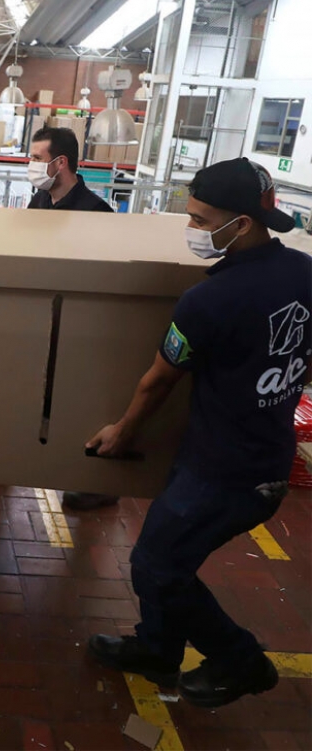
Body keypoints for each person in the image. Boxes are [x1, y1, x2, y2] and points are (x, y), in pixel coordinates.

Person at [86, 158, 311, 708]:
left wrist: (121, 433)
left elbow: (159, 381)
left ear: (242, 222)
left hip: (225, 470)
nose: (192, 228)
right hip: (264, 455)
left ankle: (240, 661)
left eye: (200, 218)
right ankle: (157, 648)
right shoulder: (305, 272)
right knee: (170, 559)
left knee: (157, 568)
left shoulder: (207, 300)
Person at [27, 126, 119, 511]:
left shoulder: (98, 214)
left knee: (79, 398)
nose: (30, 167)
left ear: (59, 162)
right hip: (42, 317)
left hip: (79, 327)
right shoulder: (40, 200)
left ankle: (96, 480)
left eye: (35, 158)